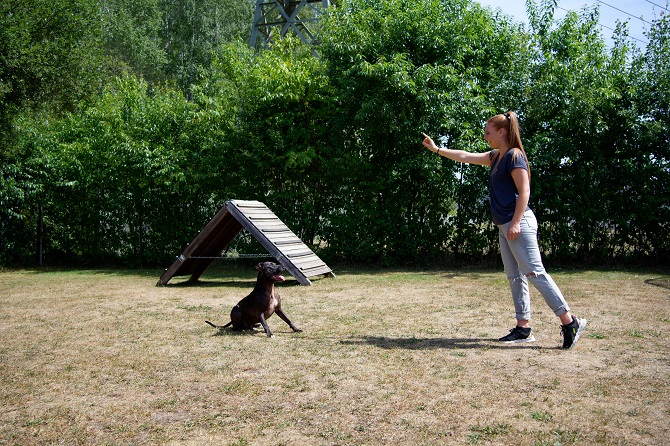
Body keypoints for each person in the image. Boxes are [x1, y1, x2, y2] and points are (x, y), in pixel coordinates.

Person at [421, 111, 587, 349]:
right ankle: (523, 328)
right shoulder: (496, 156)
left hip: (518, 223)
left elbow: (525, 191)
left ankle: (570, 322)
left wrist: (517, 222)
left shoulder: (514, 156)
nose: (485, 136)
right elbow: (465, 156)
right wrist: (437, 149)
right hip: (505, 225)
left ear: (502, 132)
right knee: (515, 277)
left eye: (488, 132)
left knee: (534, 273)